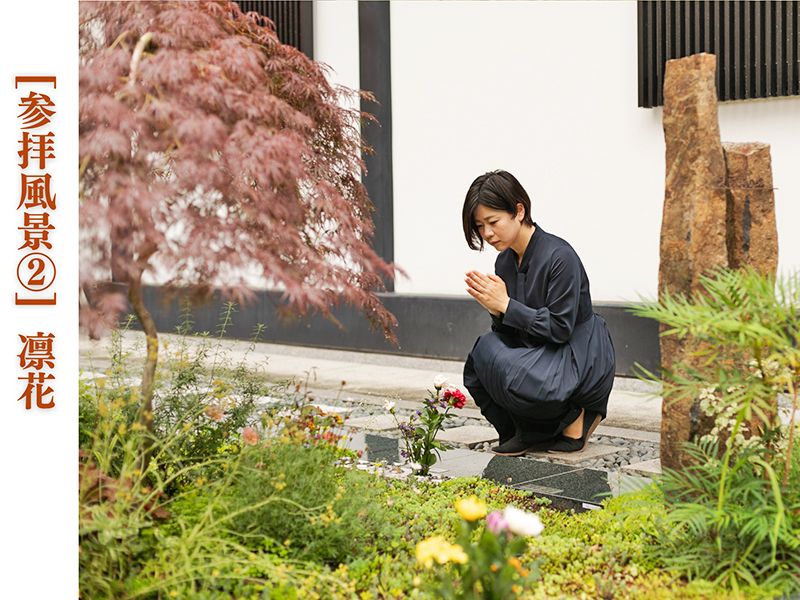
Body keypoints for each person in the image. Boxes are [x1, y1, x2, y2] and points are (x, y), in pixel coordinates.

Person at [461, 170, 616, 456]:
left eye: (493, 222)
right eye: (480, 226)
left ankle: (577, 414)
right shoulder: (504, 262)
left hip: (573, 355)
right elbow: (509, 333)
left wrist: (507, 305)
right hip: (535, 353)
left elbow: (559, 328)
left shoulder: (560, 256)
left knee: (523, 376)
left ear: (519, 211)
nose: (487, 233)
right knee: (481, 356)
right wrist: (497, 311)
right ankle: (525, 431)